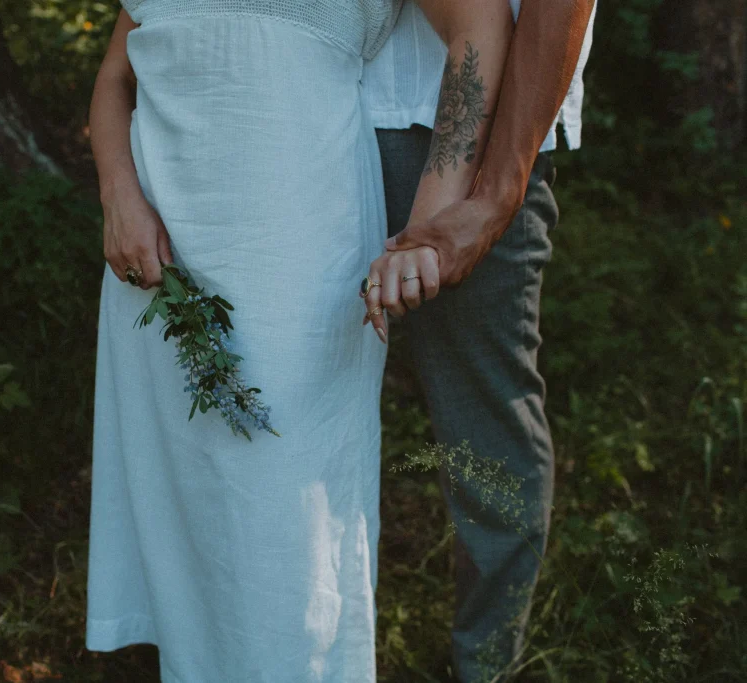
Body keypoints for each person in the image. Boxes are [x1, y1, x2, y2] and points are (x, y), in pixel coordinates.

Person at [84, 1, 512, 680]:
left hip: (295, 235)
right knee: (181, 499)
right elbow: (115, 77)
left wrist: (428, 225)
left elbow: (482, 27)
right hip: (157, 239)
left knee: (286, 515)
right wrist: (117, 194)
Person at [361, 1, 597, 680]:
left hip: (467, 123)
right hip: (317, 108)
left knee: (483, 428)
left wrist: (496, 191)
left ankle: (487, 664)